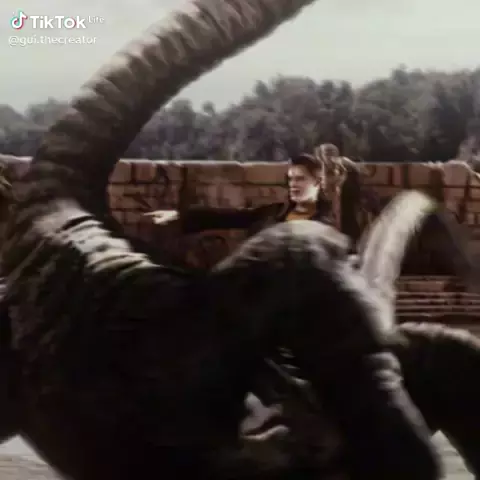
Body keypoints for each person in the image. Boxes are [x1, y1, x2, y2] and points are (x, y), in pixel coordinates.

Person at [145, 151, 341, 236]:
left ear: (317, 182)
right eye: (290, 179)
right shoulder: (275, 211)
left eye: (300, 179)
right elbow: (230, 217)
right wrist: (178, 214)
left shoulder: (325, 224)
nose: (293, 185)